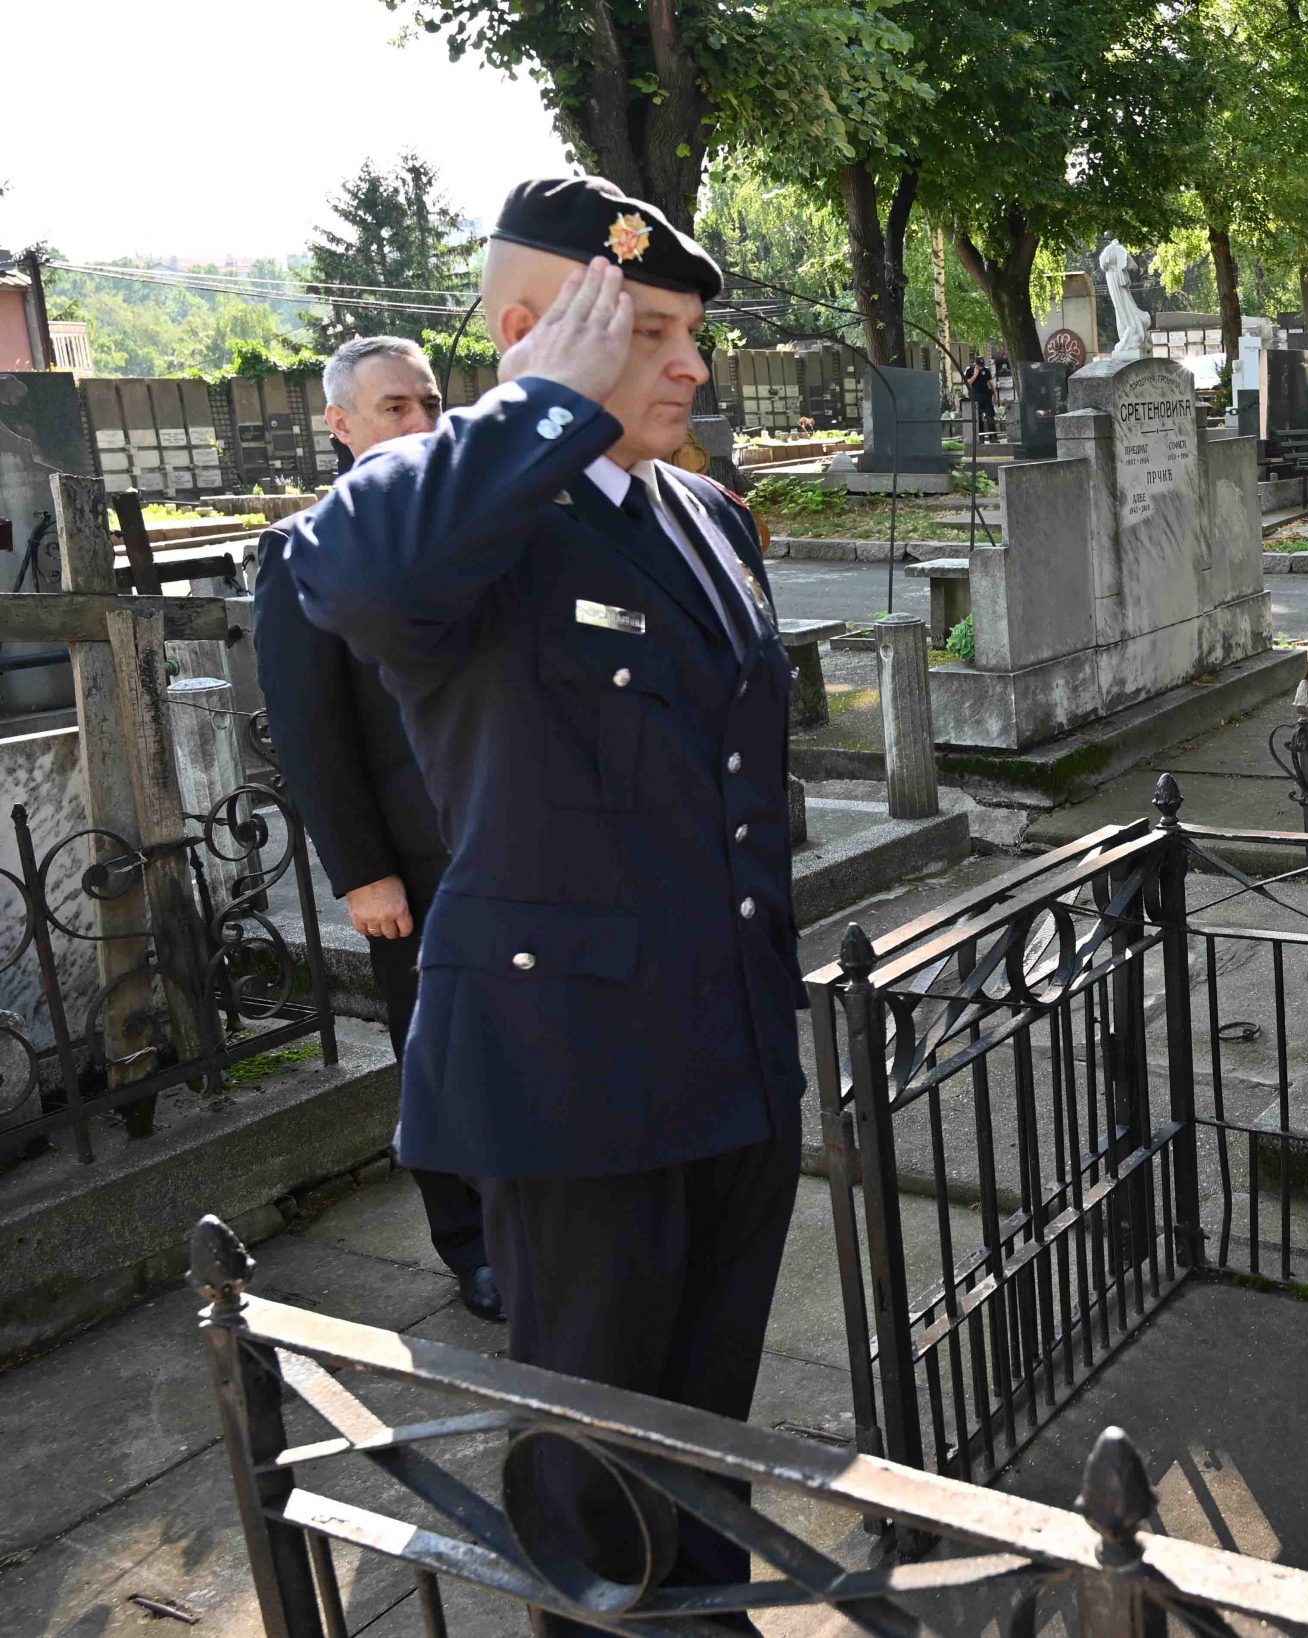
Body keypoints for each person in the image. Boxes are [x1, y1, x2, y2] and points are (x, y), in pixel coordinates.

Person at [283, 176, 802, 1629]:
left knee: (706, 1426)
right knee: (588, 1466)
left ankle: (703, 1608)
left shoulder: (706, 513)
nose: (691, 364)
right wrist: (534, 408)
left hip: (731, 1043)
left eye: (693, 331)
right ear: (532, 335)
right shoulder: (467, 514)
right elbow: (348, 575)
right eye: (644, 333)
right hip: (574, 1077)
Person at [253, 335, 501, 1325]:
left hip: (511, 838)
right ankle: (472, 1243)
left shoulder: (482, 531)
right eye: (392, 407)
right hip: (413, 864)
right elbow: (308, 728)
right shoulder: (307, 548)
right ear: (341, 424)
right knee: (442, 1055)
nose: (418, 423)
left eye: (430, 402)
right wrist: (362, 874)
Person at [962, 355, 996, 439]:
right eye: (979, 365)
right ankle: (980, 439)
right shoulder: (969, 370)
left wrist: (994, 395)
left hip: (986, 396)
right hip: (976, 396)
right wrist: (975, 374)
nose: (981, 367)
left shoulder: (986, 370)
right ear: (975, 364)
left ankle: (993, 438)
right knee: (978, 418)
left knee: (990, 417)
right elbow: (968, 382)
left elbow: (990, 383)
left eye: (982, 365)